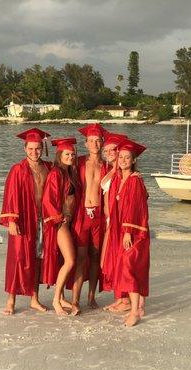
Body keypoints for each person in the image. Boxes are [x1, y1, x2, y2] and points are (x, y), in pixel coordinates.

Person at [0, 127, 52, 315]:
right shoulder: (18, 169)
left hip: (43, 219)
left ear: (42, 148)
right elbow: (11, 196)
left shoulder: (48, 167)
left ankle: (34, 299)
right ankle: (11, 300)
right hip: (24, 219)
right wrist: (12, 220)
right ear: (24, 148)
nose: (34, 152)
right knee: (19, 258)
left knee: (38, 258)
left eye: (38, 148)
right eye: (31, 149)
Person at [102, 138, 150, 327]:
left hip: (133, 233)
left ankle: (135, 312)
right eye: (120, 156)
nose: (122, 160)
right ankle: (136, 307)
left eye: (127, 157)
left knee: (130, 269)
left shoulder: (134, 181)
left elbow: (134, 209)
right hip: (121, 231)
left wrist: (128, 232)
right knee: (125, 268)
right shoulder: (118, 179)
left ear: (133, 160)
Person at [71, 123, 109, 315]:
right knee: (79, 257)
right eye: (91, 141)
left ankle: (91, 296)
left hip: (99, 216)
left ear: (102, 143)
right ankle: (75, 299)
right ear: (85, 144)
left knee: (95, 257)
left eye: (98, 141)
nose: (95, 144)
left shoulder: (107, 166)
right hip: (82, 215)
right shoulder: (78, 162)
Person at [41, 137, 78, 315]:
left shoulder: (68, 172)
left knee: (63, 261)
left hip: (67, 222)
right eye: (67, 154)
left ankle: (62, 298)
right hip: (59, 223)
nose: (70, 156)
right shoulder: (56, 173)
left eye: (72, 154)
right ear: (59, 155)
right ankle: (56, 300)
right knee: (70, 261)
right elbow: (49, 200)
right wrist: (60, 218)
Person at [99, 131, 132, 313]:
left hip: (118, 222)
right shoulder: (111, 170)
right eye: (107, 151)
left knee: (119, 260)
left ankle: (125, 300)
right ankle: (120, 298)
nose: (109, 153)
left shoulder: (122, 173)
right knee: (109, 260)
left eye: (113, 150)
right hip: (109, 221)